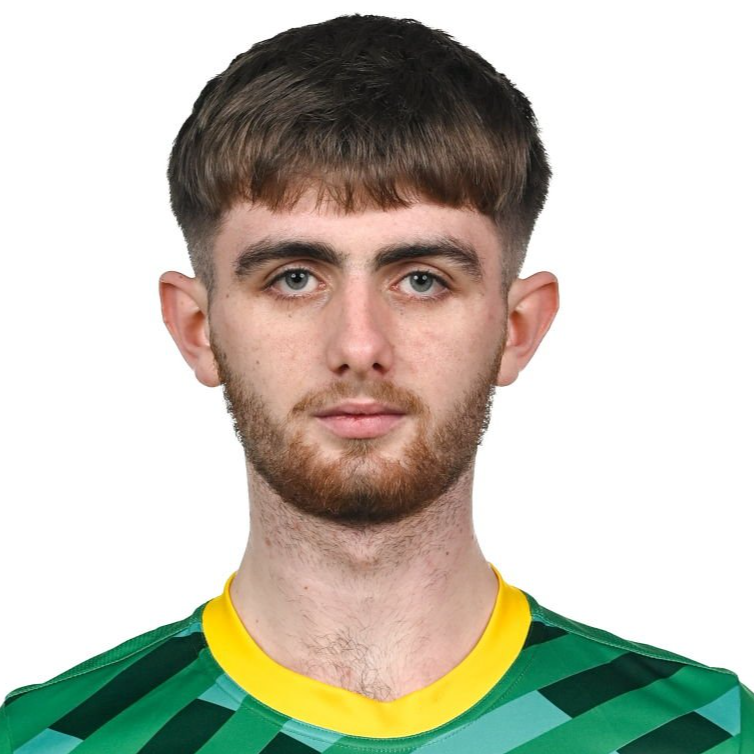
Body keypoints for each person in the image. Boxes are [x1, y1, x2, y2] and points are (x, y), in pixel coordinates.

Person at [1, 13, 751, 753]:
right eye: (294, 278)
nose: (359, 346)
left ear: (516, 329)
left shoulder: (709, 737)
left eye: (422, 279)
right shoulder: (48, 743)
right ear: (198, 329)